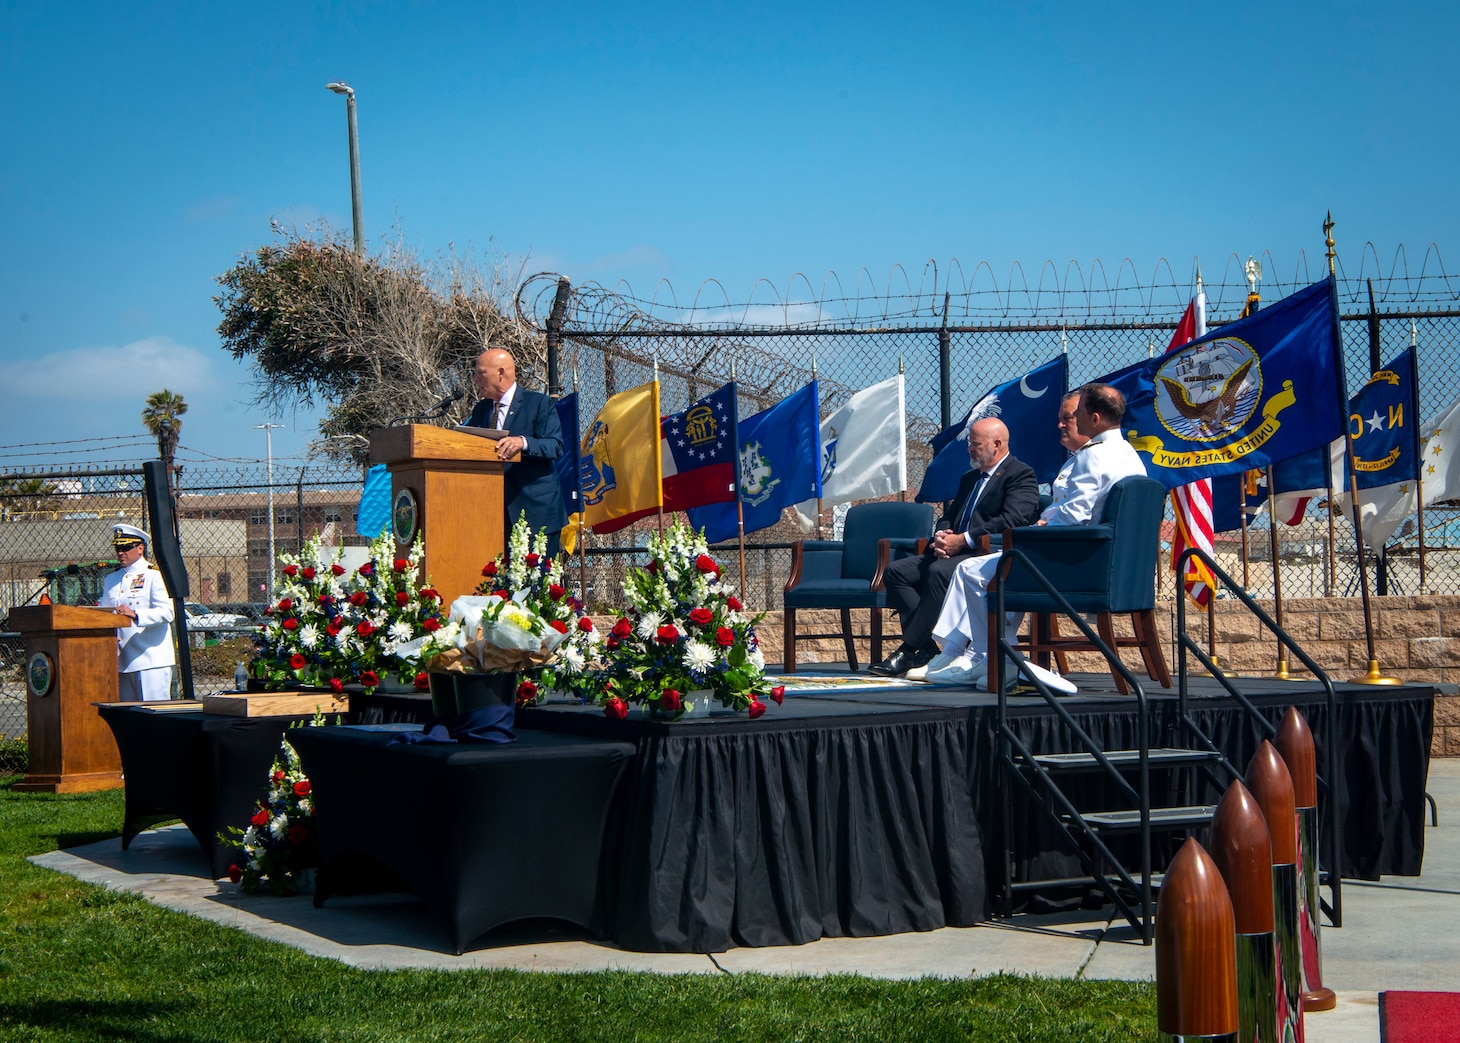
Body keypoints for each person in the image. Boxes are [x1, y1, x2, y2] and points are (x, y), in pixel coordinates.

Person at [924, 383, 1147, 688]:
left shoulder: (1093, 456)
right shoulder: (1128, 454)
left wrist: (1037, 531)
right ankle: (992, 659)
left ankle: (1000, 661)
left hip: (1075, 564)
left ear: (1094, 418)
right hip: (1102, 561)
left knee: (971, 572)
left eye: (1077, 412)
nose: (1071, 420)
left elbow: (1076, 516)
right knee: (988, 571)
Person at [870, 417, 1040, 676]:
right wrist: (942, 534)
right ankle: (926, 647)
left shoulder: (1020, 474)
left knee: (938, 573)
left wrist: (963, 540)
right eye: (969, 444)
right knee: (896, 572)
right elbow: (951, 515)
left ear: (997, 444)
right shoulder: (970, 478)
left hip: (985, 555)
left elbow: (1012, 520)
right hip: (953, 550)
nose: (969, 449)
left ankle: (907, 650)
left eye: (975, 444)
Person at [465, 347, 569, 557]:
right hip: (493, 513)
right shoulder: (481, 410)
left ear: (500, 373)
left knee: (537, 584)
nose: (475, 379)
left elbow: (555, 446)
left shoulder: (538, 403)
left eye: (480, 373)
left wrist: (523, 443)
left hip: (536, 513)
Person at [97, 523, 176, 701]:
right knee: (129, 720)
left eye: (126, 547)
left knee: (153, 717)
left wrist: (136, 615)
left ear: (140, 548)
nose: (120, 553)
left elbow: (167, 612)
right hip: (122, 660)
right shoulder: (112, 579)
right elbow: (105, 614)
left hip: (150, 660)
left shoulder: (154, 575)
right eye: (118, 548)